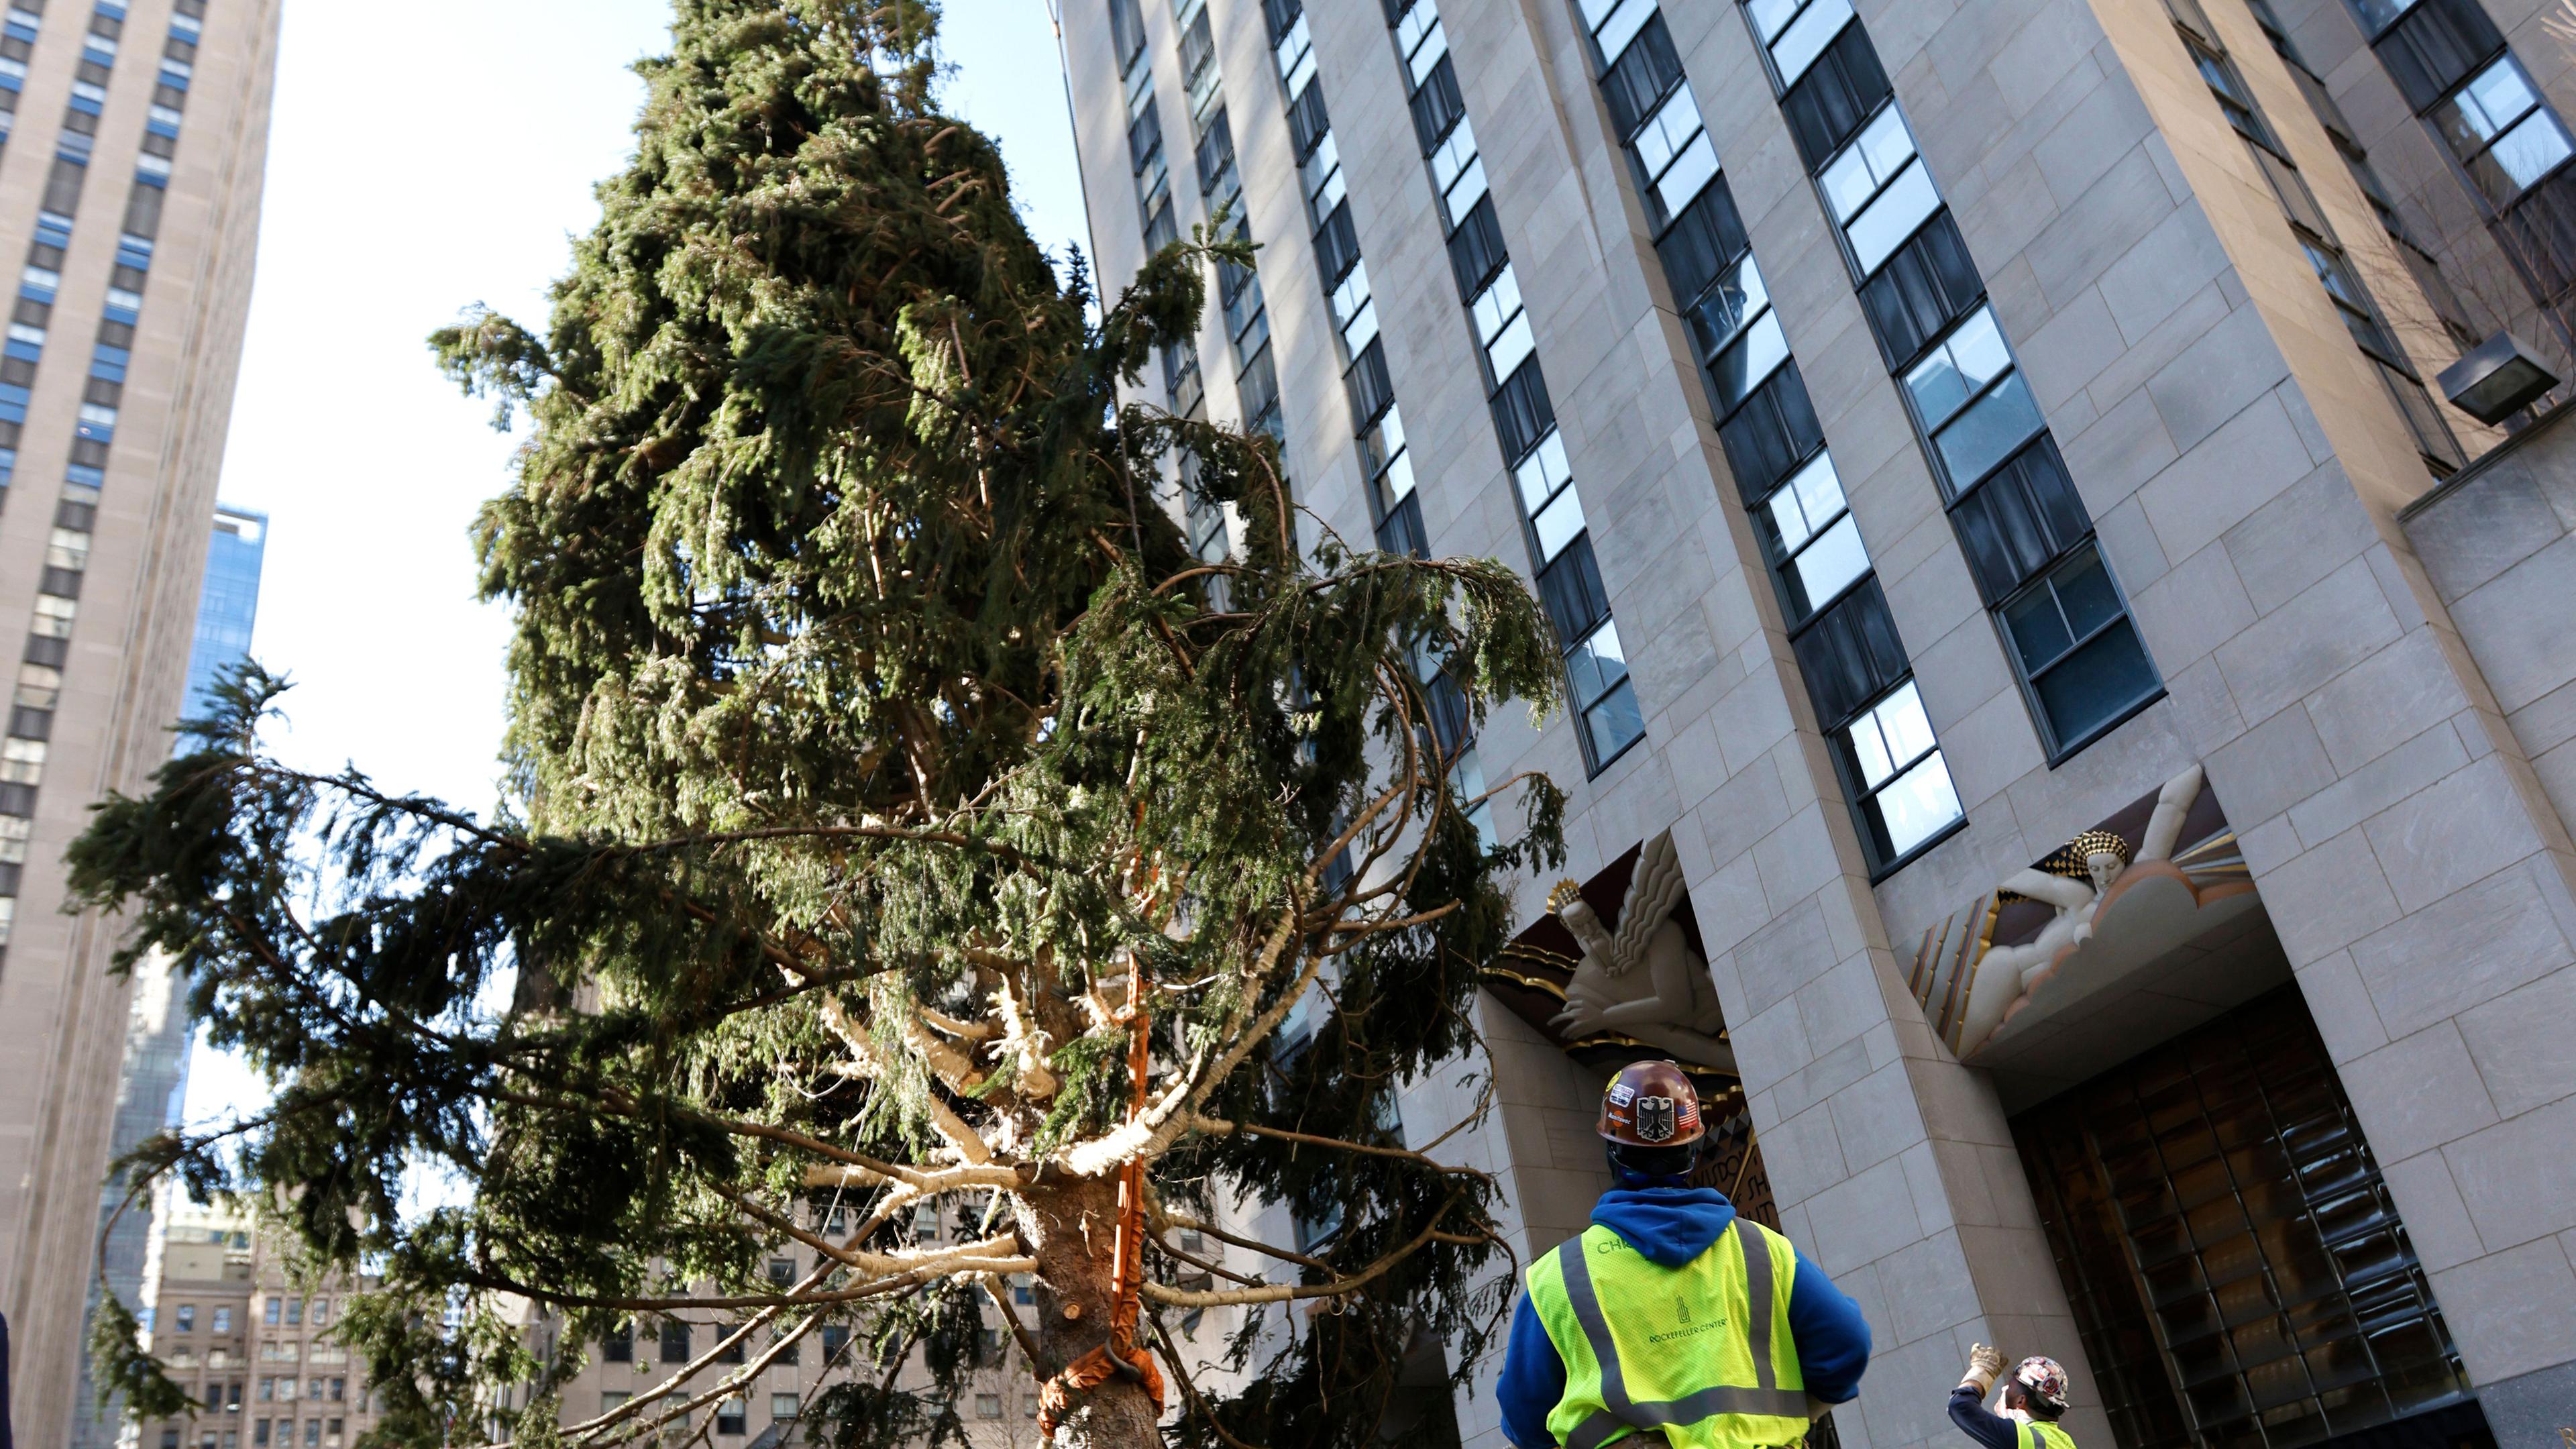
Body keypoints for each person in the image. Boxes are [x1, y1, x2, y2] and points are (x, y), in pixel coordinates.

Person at [1498, 1061, 1872, 1448]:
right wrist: (1793, 1417)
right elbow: (1848, 1343)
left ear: (1612, 1151)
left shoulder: (1558, 1277)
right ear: (1691, 1150)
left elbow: (1523, 1418)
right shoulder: (1763, 1250)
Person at [1951, 1344, 2074, 1449]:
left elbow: (1960, 1407)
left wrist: (1983, 1370)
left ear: (2021, 1401)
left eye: (2010, 1386)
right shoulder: (2063, 1441)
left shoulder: (2025, 1439)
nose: (2004, 1389)